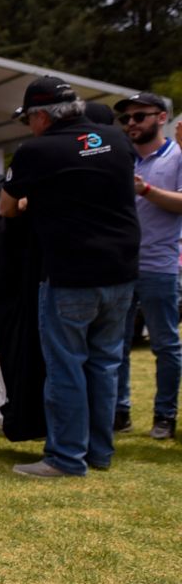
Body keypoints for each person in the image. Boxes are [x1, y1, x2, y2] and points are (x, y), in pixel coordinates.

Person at [0, 77, 138, 478]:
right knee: (105, 364)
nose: (28, 126)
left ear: (42, 116)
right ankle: (99, 453)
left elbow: (6, 208)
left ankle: (65, 458)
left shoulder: (36, 150)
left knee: (66, 367)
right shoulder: (116, 138)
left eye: (29, 118)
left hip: (70, 273)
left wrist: (33, 198)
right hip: (122, 271)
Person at [112, 92, 182, 439]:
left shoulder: (177, 156)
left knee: (165, 344)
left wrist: (147, 190)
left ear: (160, 117)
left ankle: (164, 416)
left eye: (139, 117)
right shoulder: (120, 158)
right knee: (116, 345)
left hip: (160, 267)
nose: (131, 124)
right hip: (121, 267)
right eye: (125, 119)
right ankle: (119, 412)